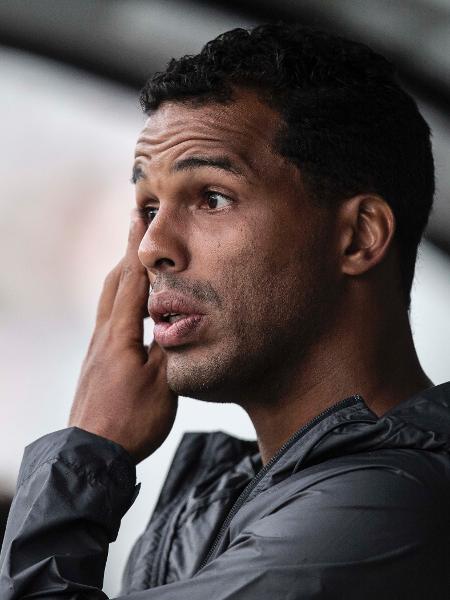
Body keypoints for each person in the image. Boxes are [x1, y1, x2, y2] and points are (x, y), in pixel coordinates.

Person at [1, 23, 449, 600]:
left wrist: (87, 451)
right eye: (148, 206)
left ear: (359, 237)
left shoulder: (390, 505)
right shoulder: (230, 499)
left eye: (211, 198)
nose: (151, 246)